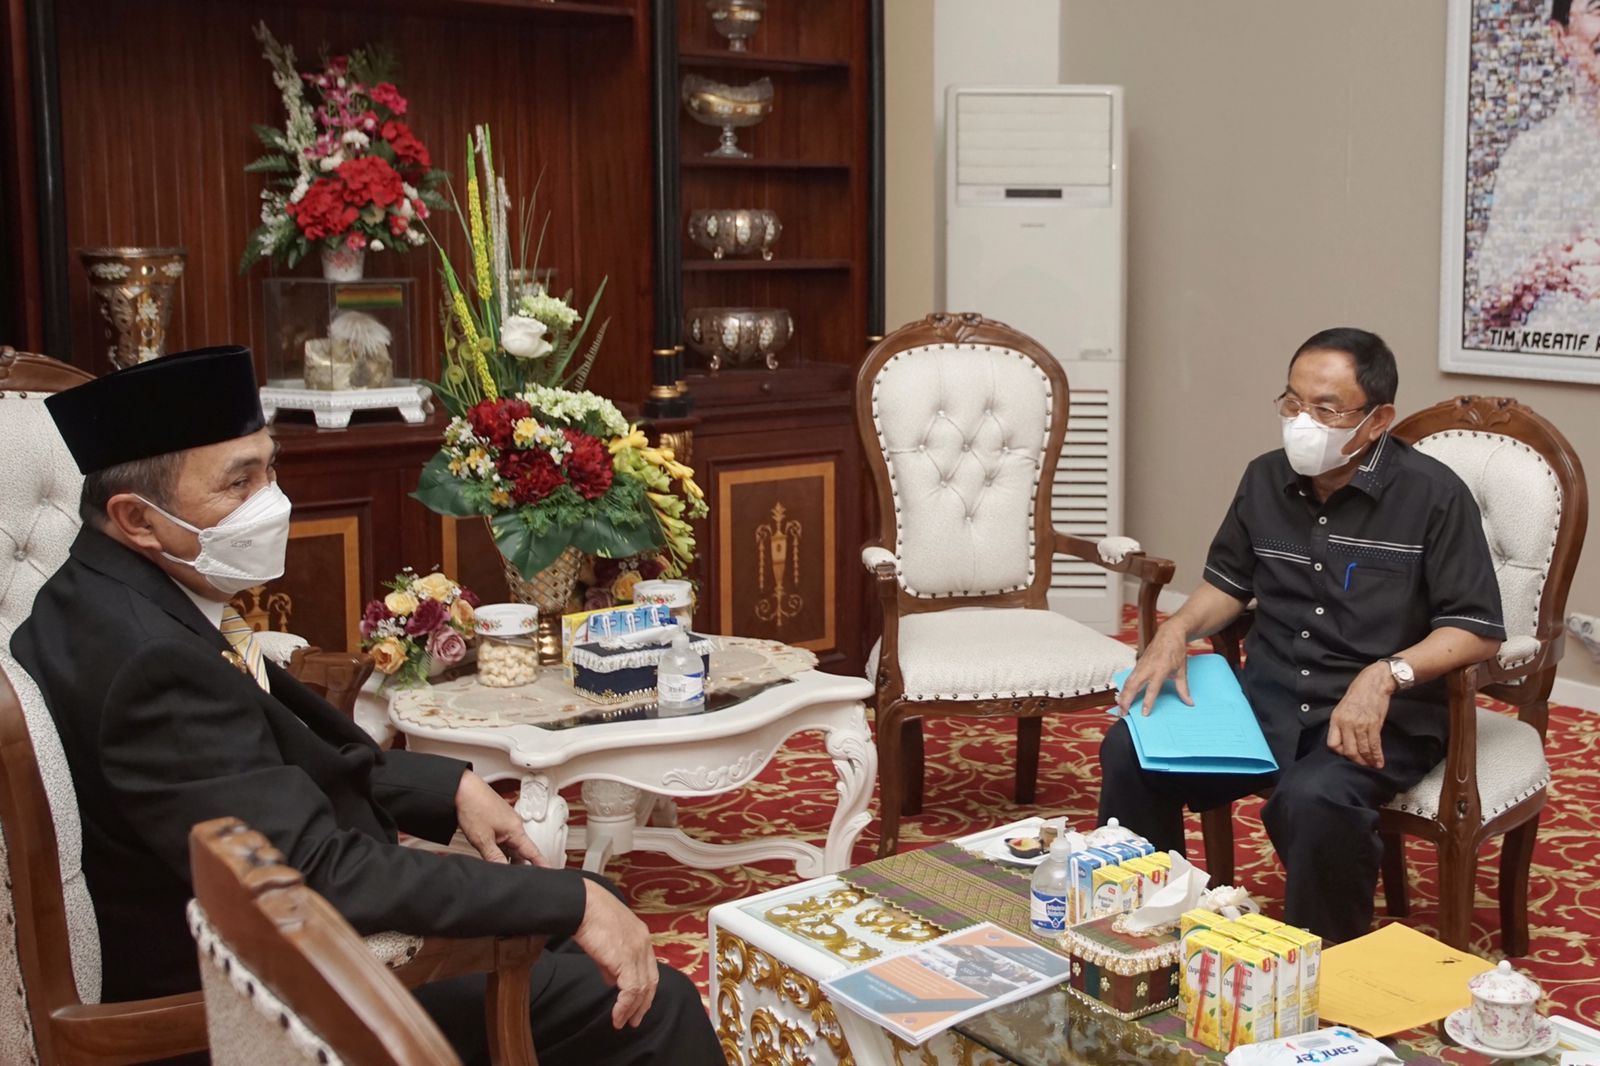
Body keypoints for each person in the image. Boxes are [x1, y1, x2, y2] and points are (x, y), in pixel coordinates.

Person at [10, 346, 724, 1066]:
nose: (270, 500)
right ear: (137, 518)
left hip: (272, 937)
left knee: (587, 905)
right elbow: (315, 873)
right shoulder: (149, 664)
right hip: (254, 1005)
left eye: (270, 468)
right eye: (238, 482)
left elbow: (271, 746)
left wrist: (447, 788)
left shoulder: (101, 595)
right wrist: (572, 902)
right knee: (653, 1001)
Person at [1097, 328, 1505, 944]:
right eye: (1292, 403)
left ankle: (1327, 963)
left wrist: (1385, 674)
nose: (1302, 422)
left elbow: (1476, 628)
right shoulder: (1263, 478)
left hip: (1379, 718)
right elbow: (1228, 585)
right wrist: (1176, 629)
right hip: (1267, 701)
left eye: (1327, 409)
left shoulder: (1434, 496)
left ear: (1377, 420)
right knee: (1130, 753)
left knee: (1315, 798)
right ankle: (1145, 931)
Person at [1476, 0, 1600, 332]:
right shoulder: (1529, 156)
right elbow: (1488, 303)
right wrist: (1547, 268)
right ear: (1560, 37)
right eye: (1598, 9)